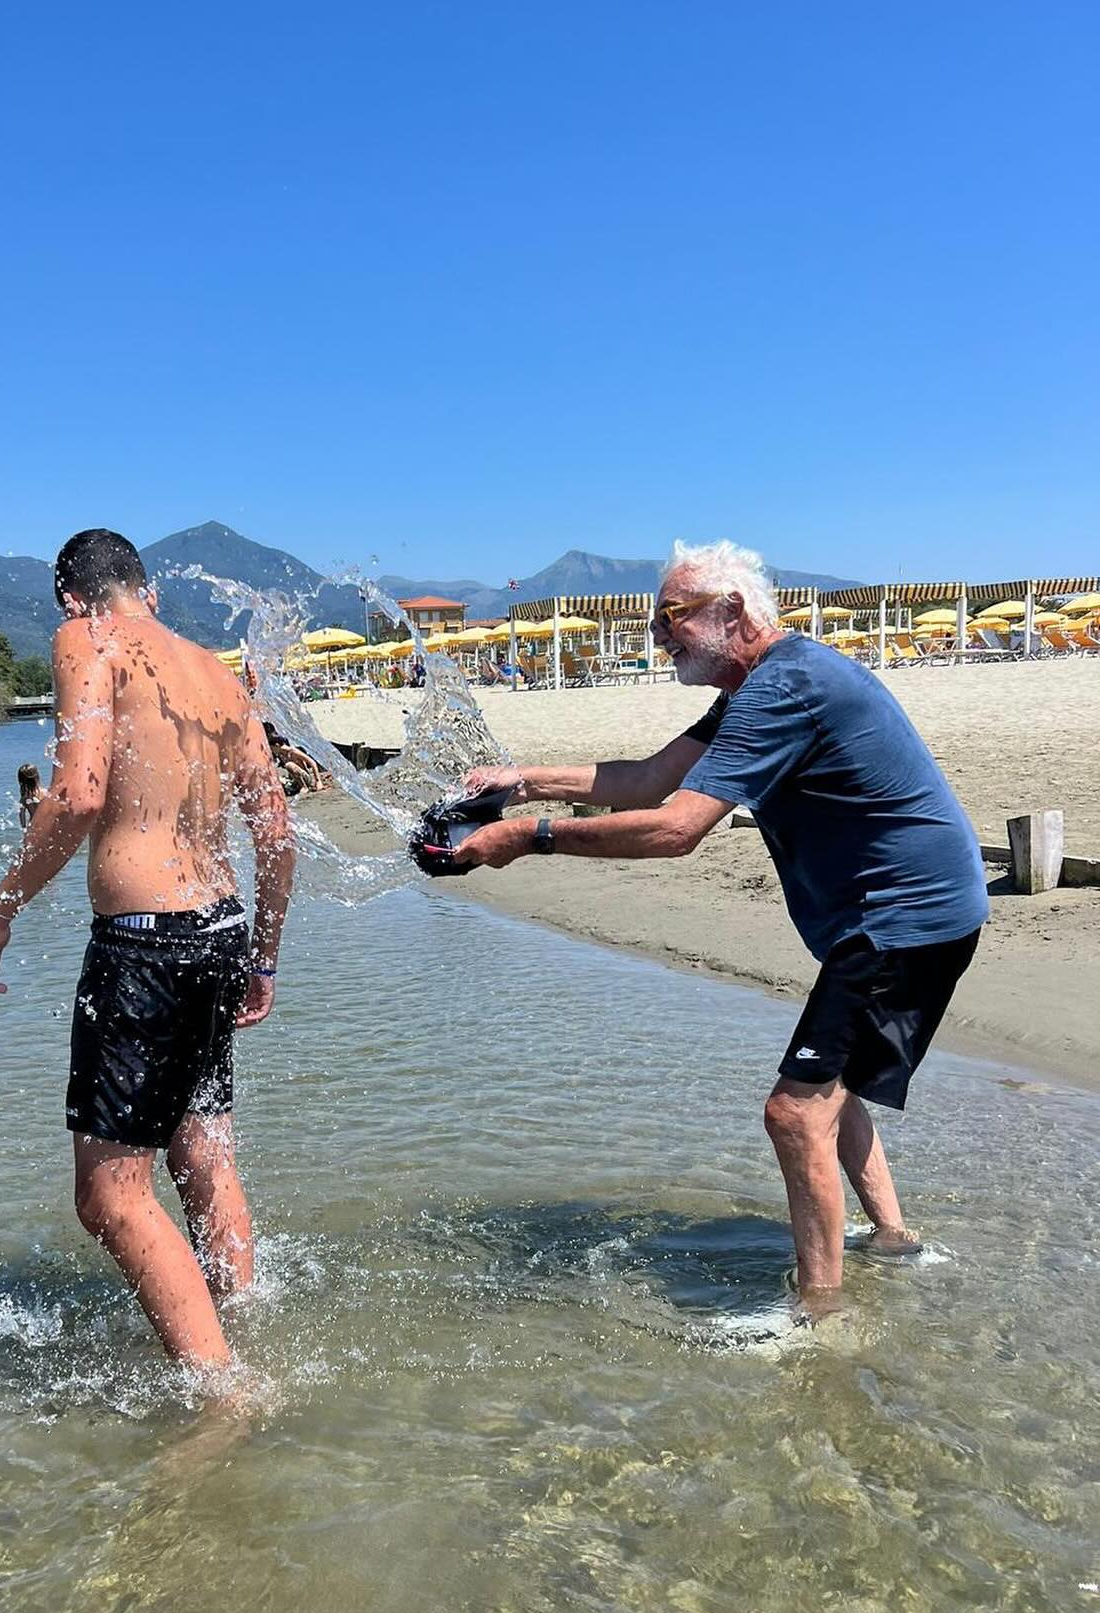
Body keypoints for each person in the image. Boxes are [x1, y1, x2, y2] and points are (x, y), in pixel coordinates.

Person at [450, 538, 988, 1315]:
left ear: (732, 612)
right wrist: (523, 778)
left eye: (671, 616)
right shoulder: (754, 684)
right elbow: (645, 777)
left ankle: (820, 1316)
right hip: (911, 909)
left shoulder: (783, 688)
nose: (659, 636)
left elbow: (674, 828)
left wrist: (529, 837)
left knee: (795, 1111)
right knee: (833, 1083)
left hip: (903, 917)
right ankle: (895, 1238)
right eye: (654, 621)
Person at [0, 528, 296, 1373]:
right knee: (201, 1148)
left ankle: (219, 1392)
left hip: (148, 942)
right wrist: (263, 956)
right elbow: (278, 831)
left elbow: (76, 796)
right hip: (220, 930)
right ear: (147, 589)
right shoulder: (218, 674)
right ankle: (243, 1320)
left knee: (110, 1196)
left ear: (72, 599)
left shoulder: (87, 639)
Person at [262, 720, 326, 796]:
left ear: (277, 745)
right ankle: (295, 787)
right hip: (294, 780)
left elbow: (312, 762)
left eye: (271, 748)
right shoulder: (279, 753)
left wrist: (318, 781)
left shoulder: (292, 751)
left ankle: (304, 787)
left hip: (305, 779)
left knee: (289, 765)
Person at [16, 761, 48, 829]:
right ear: (37, 777)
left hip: (32, 826)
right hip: (45, 824)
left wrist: (24, 828)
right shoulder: (45, 793)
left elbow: (21, 815)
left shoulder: (24, 798)